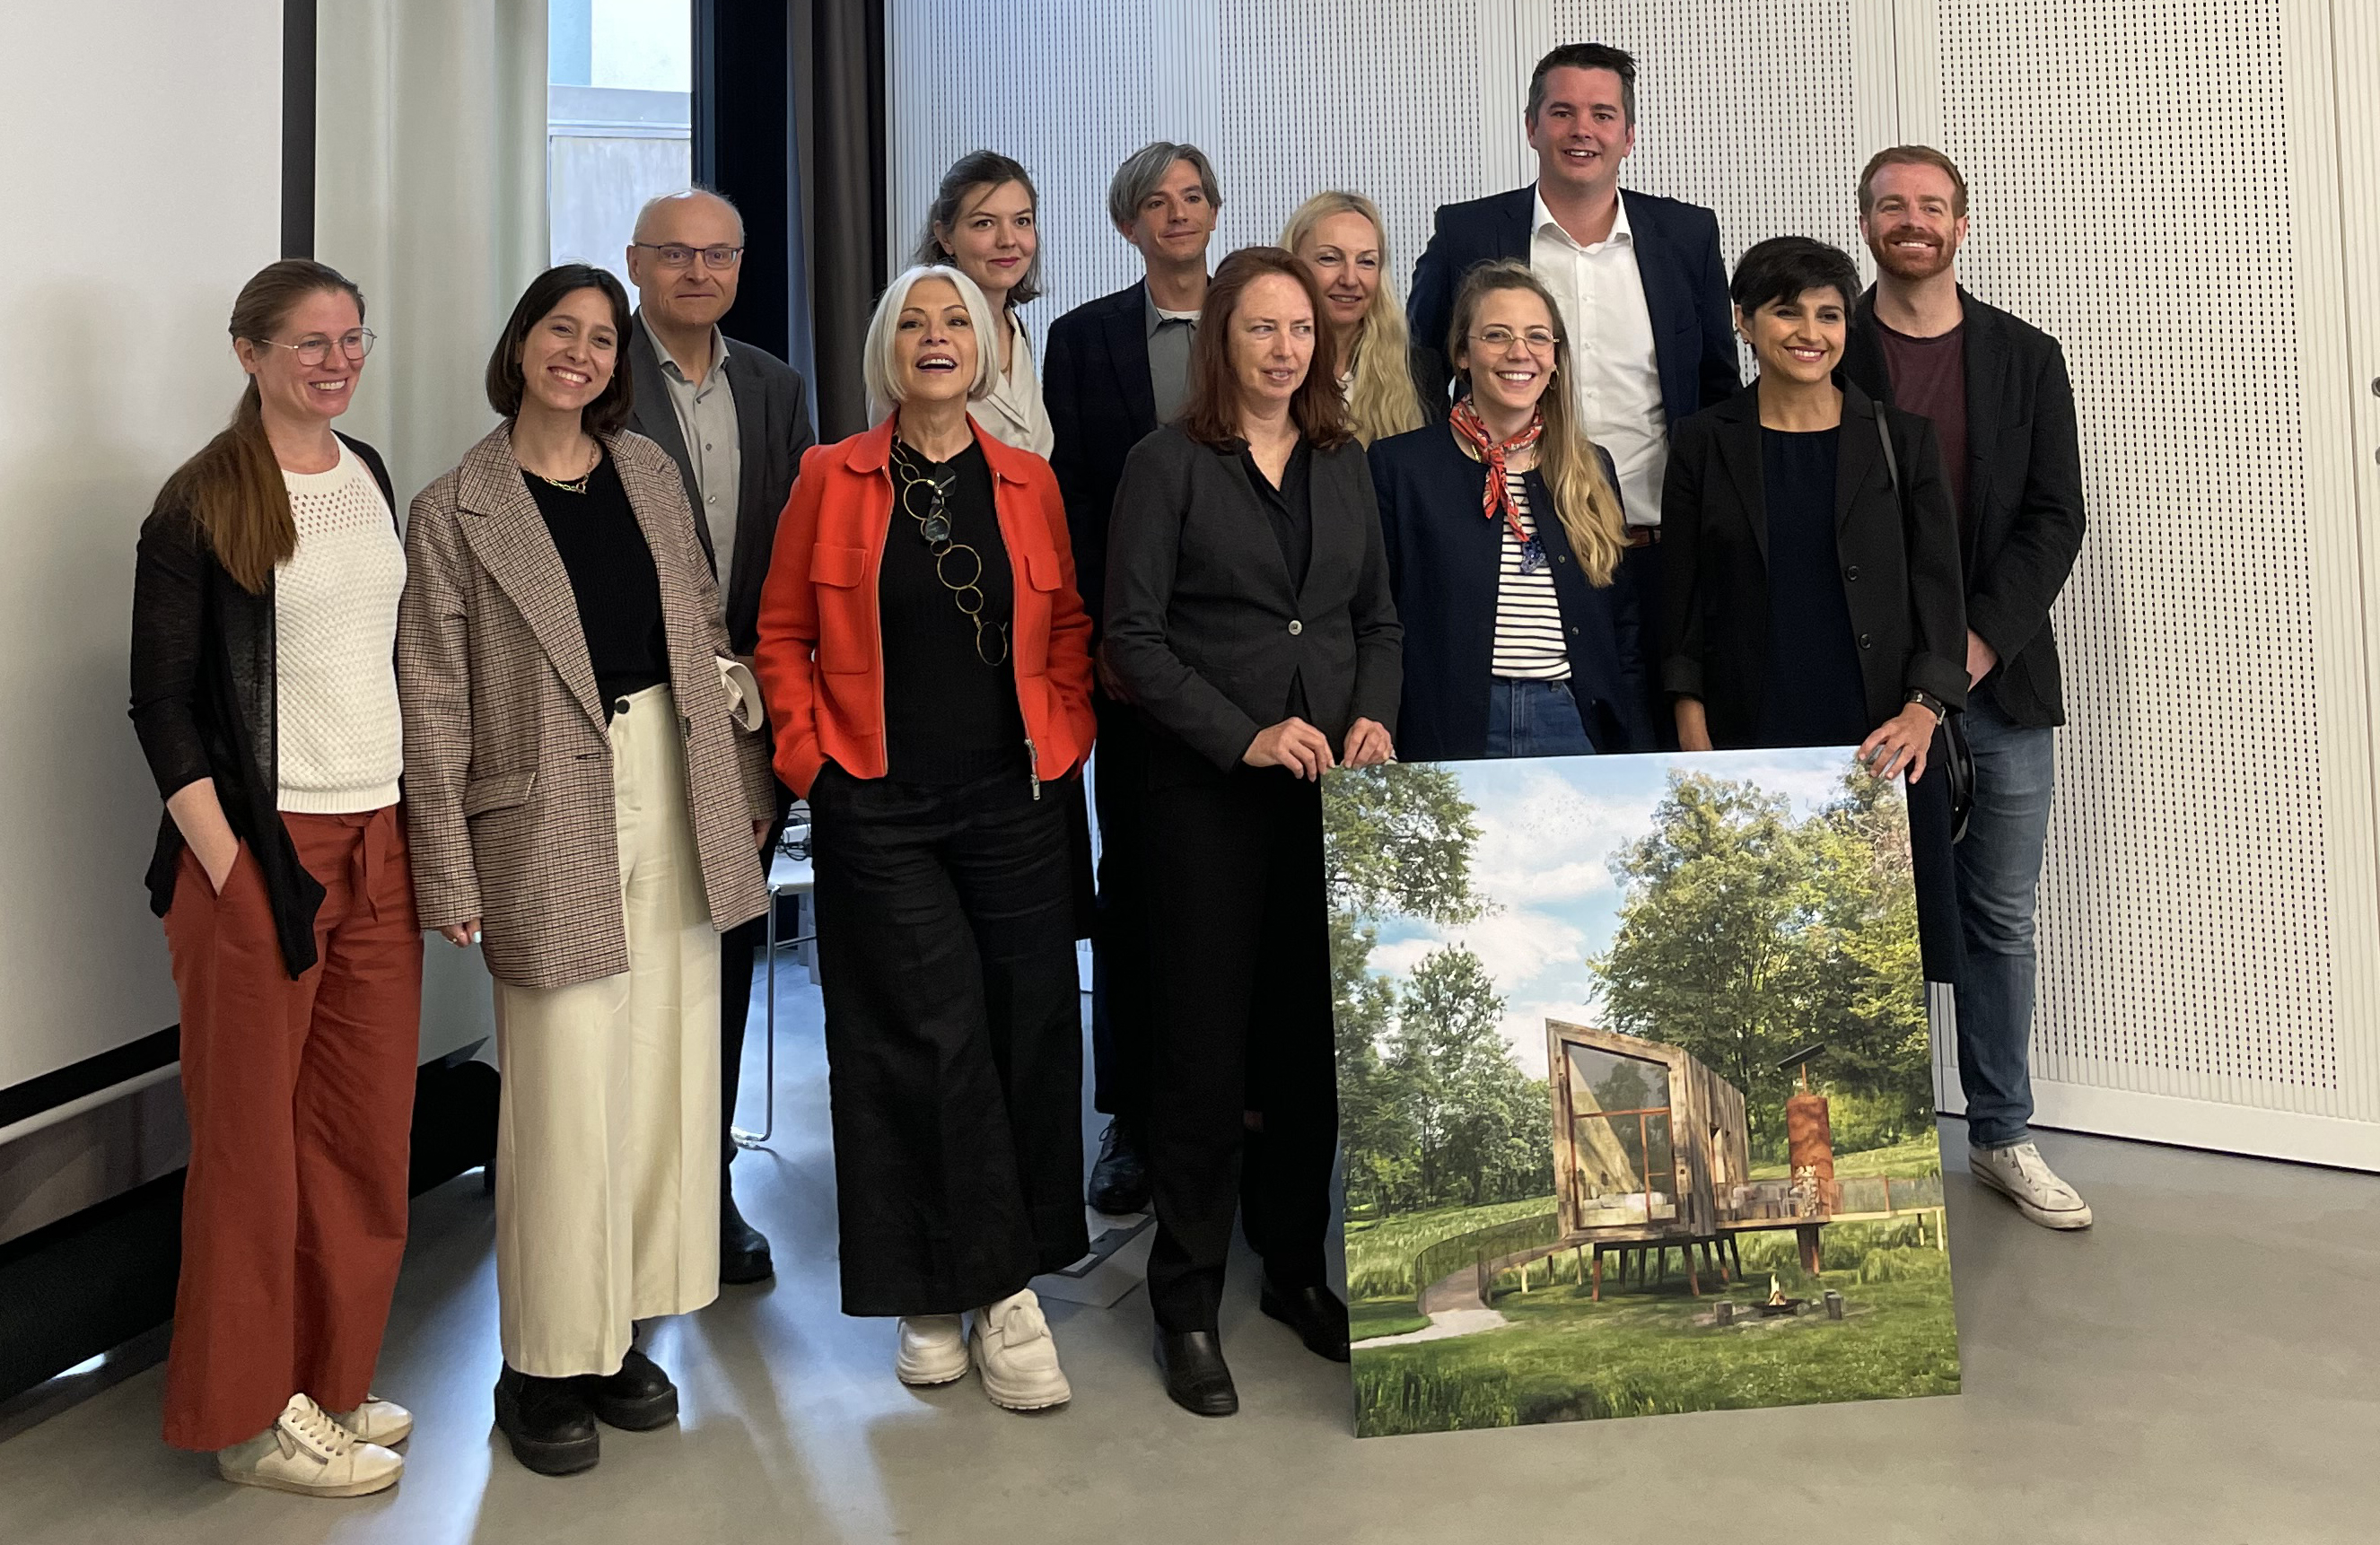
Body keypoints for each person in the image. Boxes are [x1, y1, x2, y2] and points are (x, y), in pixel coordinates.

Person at [398, 264, 774, 1476]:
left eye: (602, 338)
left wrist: (744, 780)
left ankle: (621, 1331)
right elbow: (433, 696)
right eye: (560, 330)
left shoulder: (648, 473)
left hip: (675, 776)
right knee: (563, 1088)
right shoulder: (455, 506)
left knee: (667, 1064)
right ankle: (542, 1364)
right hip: (542, 807)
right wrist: (445, 866)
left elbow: (705, 631)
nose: (581, 352)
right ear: (520, 346)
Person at [750, 266, 1096, 1412]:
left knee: (1023, 1029)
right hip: (878, 804)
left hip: (1015, 799)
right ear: (886, 350)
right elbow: (782, 634)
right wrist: (814, 764)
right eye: (913, 322)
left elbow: (1069, 626)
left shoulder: (1030, 481)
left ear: (982, 350)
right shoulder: (828, 476)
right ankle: (937, 1293)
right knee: (916, 1037)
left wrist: (1068, 730)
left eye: (955, 321)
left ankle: (1005, 1285)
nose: (936, 337)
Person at [128, 259, 419, 1497]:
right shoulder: (201, 500)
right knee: (251, 1153)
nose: (337, 362)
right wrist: (232, 868)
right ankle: (248, 1423)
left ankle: (330, 1381)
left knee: (362, 1134)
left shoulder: (370, 475)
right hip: (258, 854)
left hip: (379, 840)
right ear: (249, 352)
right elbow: (160, 705)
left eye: (352, 339)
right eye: (310, 342)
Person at [1105, 247, 1402, 1418]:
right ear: (1221, 339)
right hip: (1205, 798)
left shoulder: (1342, 459)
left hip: (1329, 794)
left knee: (1306, 1046)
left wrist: (1373, 712)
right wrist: (1244, 736)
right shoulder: (1166, 462)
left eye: (1301, 330)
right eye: (1262, 328)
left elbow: (1375, 619)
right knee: (1203, 1052)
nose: (1285, 349)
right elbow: (1133, 640)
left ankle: (1291, 1270)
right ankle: (1184, 1300)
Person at [1843, 146, 2092, 1229]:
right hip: (1866, 692)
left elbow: (2054, 518)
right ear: (1865, 224)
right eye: (1892, 205)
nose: (1913, 221)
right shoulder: (1828, 347)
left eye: (1931, 205)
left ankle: (2000, 1135)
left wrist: (1969, 656)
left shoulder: (2025, 356)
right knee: (1868, 924)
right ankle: (1879, 1156)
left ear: (1961, 223)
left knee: (1998, 916)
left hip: (2000, 685)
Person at [1409, 42, 1737, 743]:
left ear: (1629, 135)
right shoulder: (1469, 231)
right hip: (1513, 557)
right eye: (1561, 112)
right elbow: (1421, 370)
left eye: (1602, 114)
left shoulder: (1685, 235)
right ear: (1532, 126)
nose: (1581, 130)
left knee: (1659, 759)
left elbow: (1717, 388)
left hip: (1657, 552)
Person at [1660, 235, 1968, 979]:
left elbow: (1939, 591)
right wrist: (1692, 734)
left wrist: (1924, 710)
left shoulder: (1902, 440)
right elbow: (1680, 600)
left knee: (1889, 965)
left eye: (1829, 315)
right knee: (1762, 951)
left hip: (1882, 741)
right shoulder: (1703, 442)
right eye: (1786, 312)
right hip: (1748, 737)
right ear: (1743, 321)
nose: (1810, 333)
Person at [623, 187, 818, 1288]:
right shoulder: (600, 374)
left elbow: (792, 557)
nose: (698, 272)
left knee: (728, 955)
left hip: (742, 718)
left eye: (719, 255)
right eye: (676, 254)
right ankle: (622, 1189)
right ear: (637, 263)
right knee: (631, 960)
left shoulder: (776, 386)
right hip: (628, 712)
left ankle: (707, 1186)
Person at [1043, 140, 1223, 1216]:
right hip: (1136, 651)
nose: (1178, 214)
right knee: (1139, 886)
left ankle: (1236, 1109)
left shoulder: (1260, 317)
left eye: (1193, 197)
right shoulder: (1084, 338)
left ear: (1215, 212)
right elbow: (1073, 498)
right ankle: (1132, 1117)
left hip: (1249, 650)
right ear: (1128, 224)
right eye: (1157, 202)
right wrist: (1105, 636)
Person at [1371, 259, 1649, 759]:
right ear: (1462, 353)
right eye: (1497, 335)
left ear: (1556, 358)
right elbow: (1377, 617)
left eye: (1538, 337)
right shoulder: (1401, 467)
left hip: (1571, 718)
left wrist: (1635, 742)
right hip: (1449, 724)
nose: (1520, 352)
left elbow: (1623, 622)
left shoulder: (1591, 467)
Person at [913, 151, 1051, 456]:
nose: (1008, 240)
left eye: (1022, 221)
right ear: (946, 238)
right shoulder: (921, 337)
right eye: (984, 223)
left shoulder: (1016, 331)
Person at [1278, 190, 1423, 446]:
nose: (1350, 279)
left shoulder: (1419, 372)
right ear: (1293, 265)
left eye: (1366, 262)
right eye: (1329, 258)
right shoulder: (1269, 366)